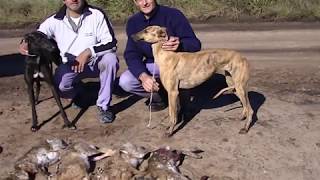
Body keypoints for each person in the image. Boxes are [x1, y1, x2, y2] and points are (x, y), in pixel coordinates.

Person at [19, 0, 118, 123]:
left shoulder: (97, 14)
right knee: (60, 87)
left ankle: (104, 106)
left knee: (111, 59)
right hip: (71, 65)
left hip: (96, 61)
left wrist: (88, 52)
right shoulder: (54, 19)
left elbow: (111, 43)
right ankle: (81, 94)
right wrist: (24, 41)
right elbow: (38, 34)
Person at [119, 0, 201, 111]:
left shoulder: (173, 15)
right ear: (135, 2)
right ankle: (160, 96)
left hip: (176, 64)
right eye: (139, 0)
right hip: (154, 65)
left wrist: (180, 45)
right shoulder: (133, 22)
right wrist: (143, 77)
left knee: (181, 101)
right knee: (126, 81)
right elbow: (131, 54)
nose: (144, 3)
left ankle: (182, 92)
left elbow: (195, 44)